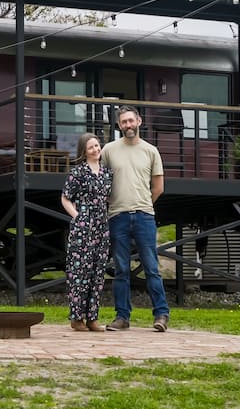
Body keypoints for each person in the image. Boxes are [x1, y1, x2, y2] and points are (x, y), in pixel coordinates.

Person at [101, 105, 170, 332]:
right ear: (119, 125)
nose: (128, 125)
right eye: (123, 122)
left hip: (144, 217)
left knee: (151, 267)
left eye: (131, 120)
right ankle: (122, 318)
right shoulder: (109, 150)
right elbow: (99, 180)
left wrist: (143, 204)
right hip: (117, 217)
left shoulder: (151, 151)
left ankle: (161, 315)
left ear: (139, 121)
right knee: (121, 269)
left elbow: (158, 187)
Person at [61, 133, 113, 332]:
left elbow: (108, 198)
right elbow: (65, 198)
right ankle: (76, 318)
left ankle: (93, 318)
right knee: (79, 272)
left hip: (101, 227)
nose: (96, 150)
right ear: (84, 151)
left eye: (97, 146)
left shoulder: (107, 173)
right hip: (83, 228)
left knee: (98, 273)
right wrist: (77, 217)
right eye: (91, 147)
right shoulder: (78, 172)